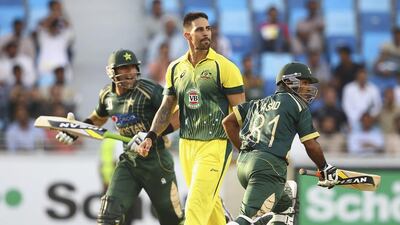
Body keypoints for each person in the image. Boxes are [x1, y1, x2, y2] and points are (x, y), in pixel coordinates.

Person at [137, 12, 245, 225]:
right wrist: (151, 135)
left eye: (208, 28)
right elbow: (168, 108)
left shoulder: (225, 67)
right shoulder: (175, 68)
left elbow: (242, 112)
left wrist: (249, 147)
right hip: (187, 146)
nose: (206, 33)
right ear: (187, 35)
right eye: (199, 29)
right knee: (211, 206)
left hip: (215, 145)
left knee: (195, 206)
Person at [55, 49, 184, 225]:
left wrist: (152, 135)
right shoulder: (107, 95)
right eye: (124, 68)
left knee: (173, 221)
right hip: (129, 162)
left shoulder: (149, 90)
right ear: (112, 72)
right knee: (107, 215)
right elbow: (98, 118)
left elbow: (179, 115)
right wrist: (76, 129)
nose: (130, 72)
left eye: (133, 67)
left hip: (157, 162)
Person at [222, 62, 338, 225]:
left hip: (244, 165)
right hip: (269, 168)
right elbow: (310, 144)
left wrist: (242, 148)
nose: (307, 87)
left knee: (286, 202)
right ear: (289, 81)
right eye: (304, 82)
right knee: (246, 220)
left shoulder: (258, 103)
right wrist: (324, 167)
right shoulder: (298, 105)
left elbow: (228, 122)